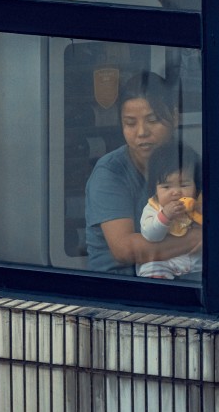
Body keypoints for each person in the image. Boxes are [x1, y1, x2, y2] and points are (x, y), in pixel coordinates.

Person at [84, 72, 201, 274]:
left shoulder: (188, 161)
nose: (141, 132)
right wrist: (198, 238)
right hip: (120, 291)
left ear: (174, 117)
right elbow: (125, 249)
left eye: (152, 120)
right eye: (130, 123)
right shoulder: (110, 172)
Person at [137, 141, 204, 280]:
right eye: (166, 187)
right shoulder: (153, 208)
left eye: (184, 184)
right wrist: (165, 216)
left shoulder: (201, 203)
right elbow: (151, 235)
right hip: (167, 262)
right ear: (154, 189)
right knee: (150, 267)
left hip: (198, 265)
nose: (176, 192)